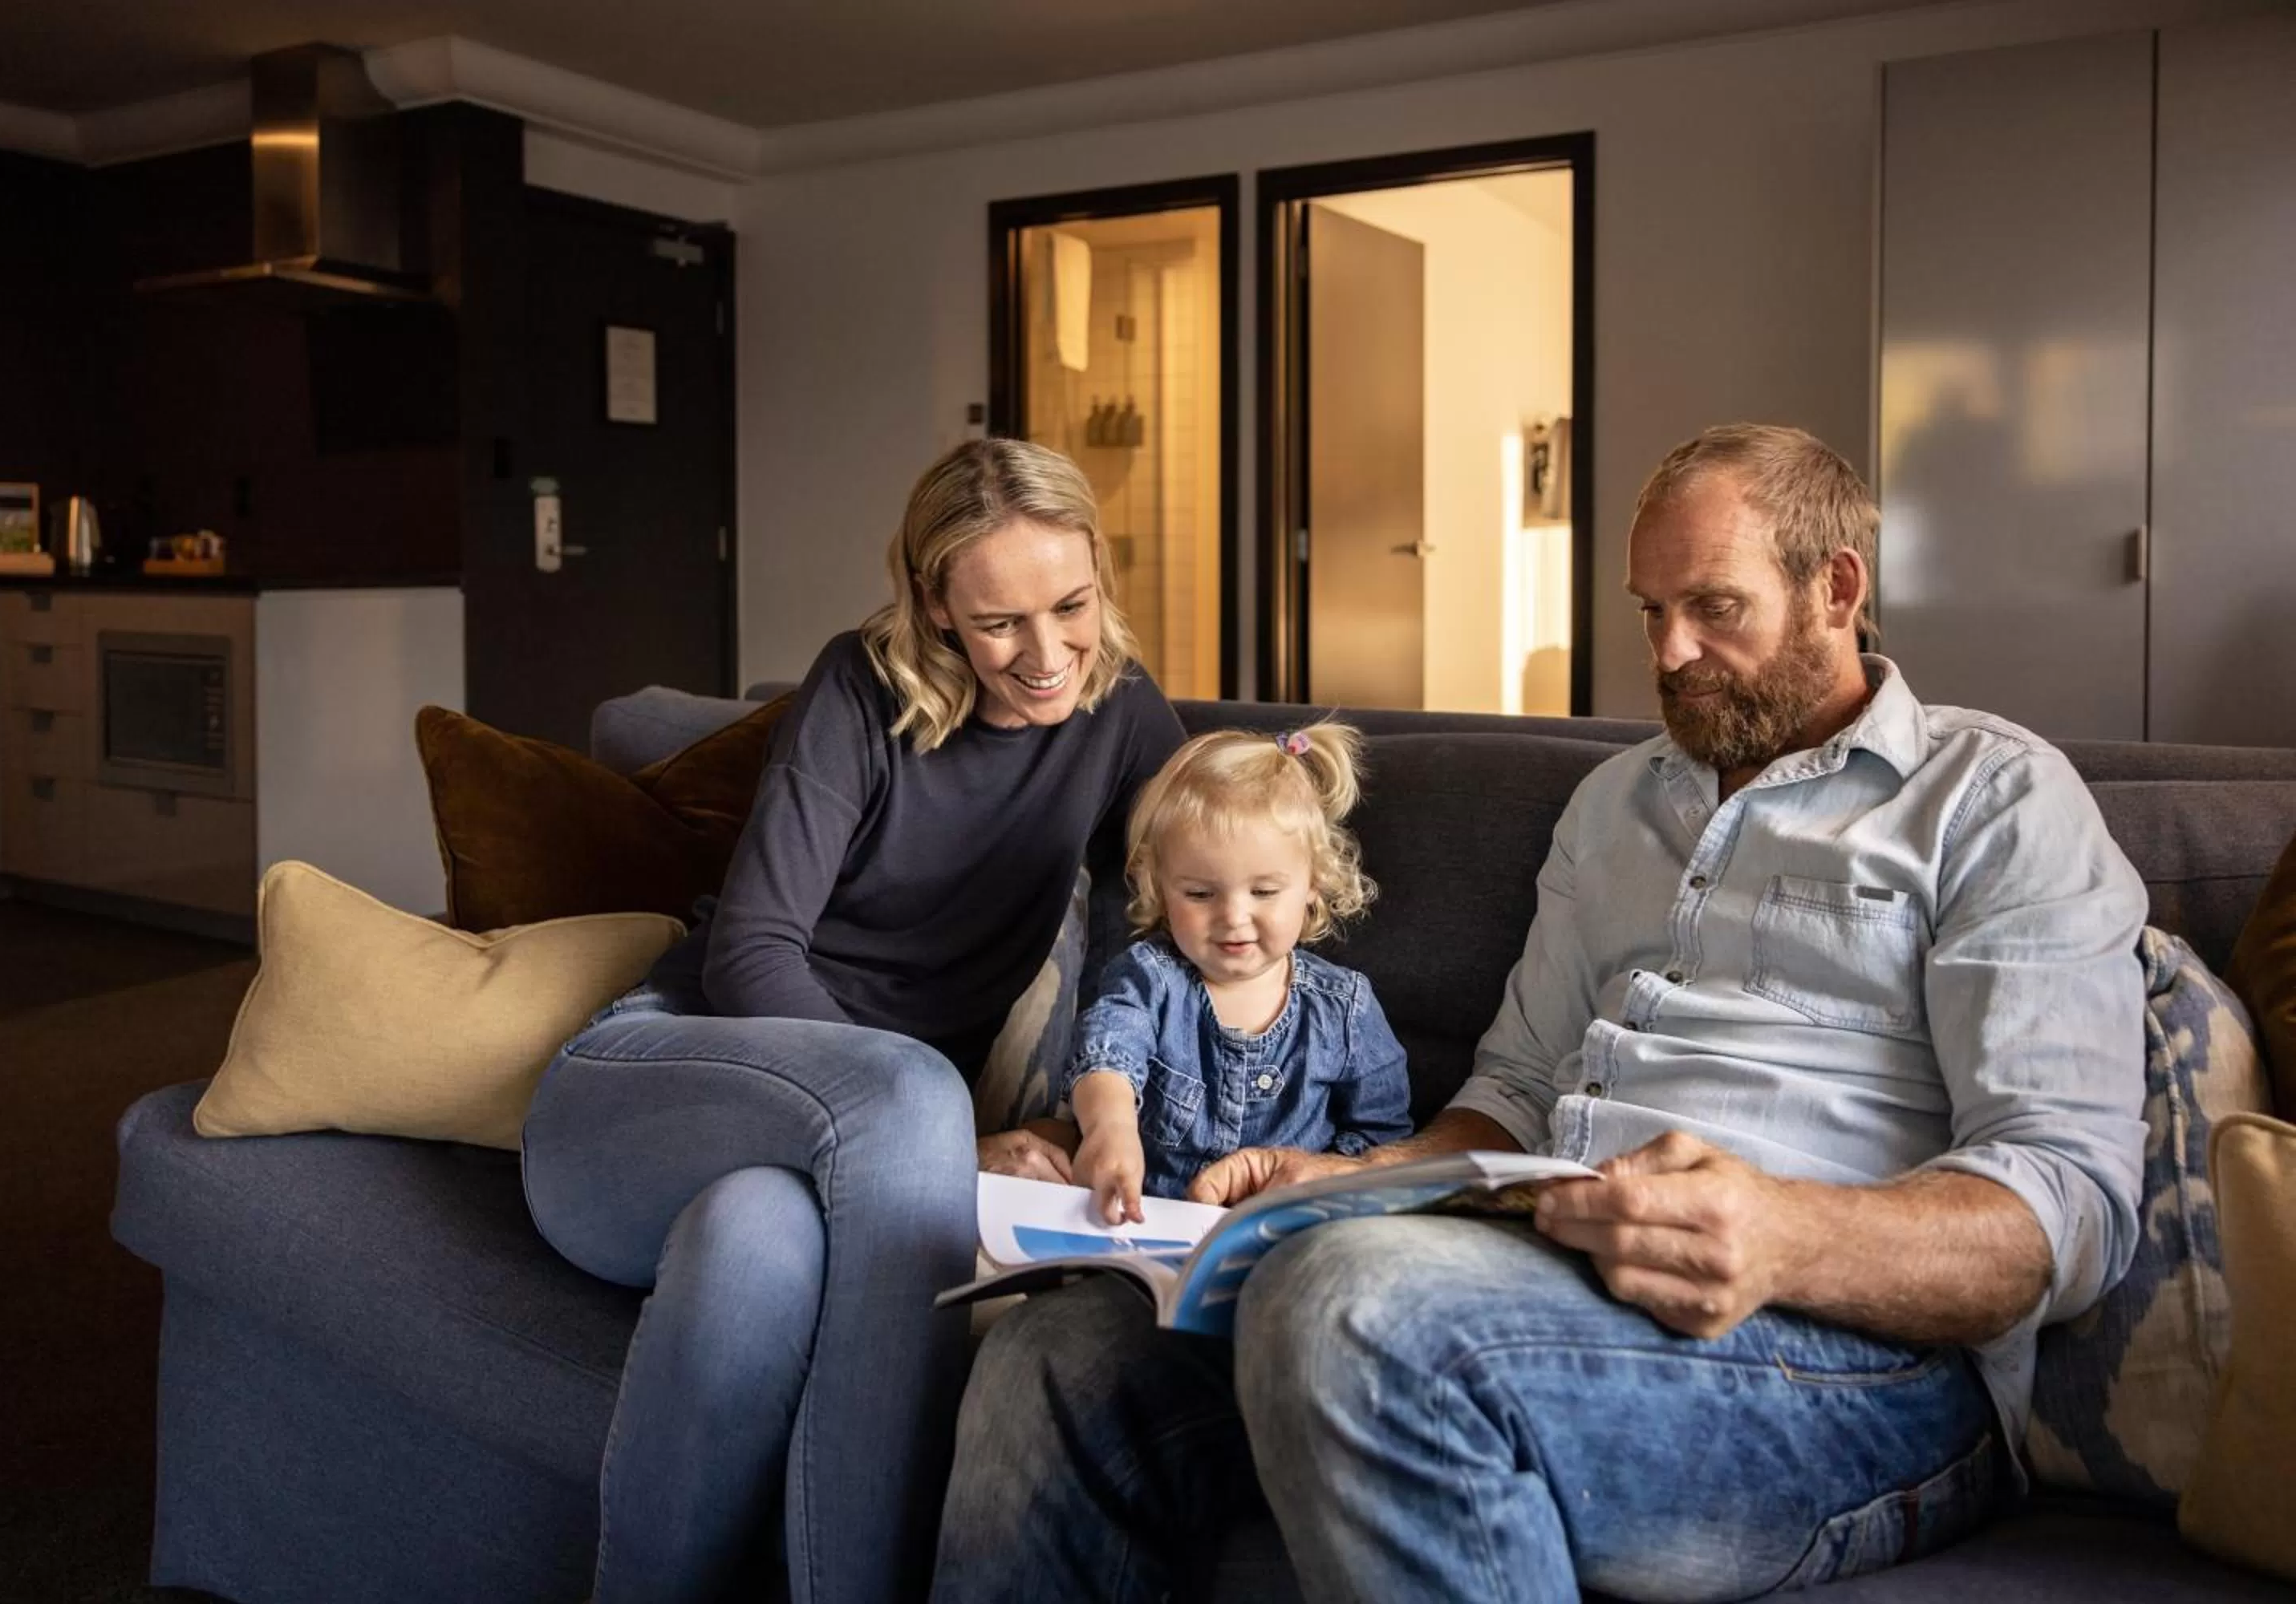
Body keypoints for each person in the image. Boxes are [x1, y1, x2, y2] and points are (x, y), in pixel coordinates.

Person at [932, 423, 2148, 1602]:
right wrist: (1354, 1178)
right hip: (1537, 1277)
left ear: (1835, 587)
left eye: (1712, 608)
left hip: (1854, 1365)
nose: (1667, 655)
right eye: (1647, 612)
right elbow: (1509, 1091)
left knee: (1351, 1304)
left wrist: (1787, 1234)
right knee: (1067, 1356)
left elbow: (2069, 1201)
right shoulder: (1615, 806)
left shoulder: (1991, 798)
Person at [521, 437, 1186, 1604]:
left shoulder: (1123, 716)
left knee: (756, 1246)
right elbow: (754, 949)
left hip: (809, 1171)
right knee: (914, 1094)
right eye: (997, 625)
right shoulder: (858, 687)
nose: (1044, 656)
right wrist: (931, 1149)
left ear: (1100, 573)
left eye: (1071, 605)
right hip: (652, 1088)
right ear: (933, 607)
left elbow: (1188, 927)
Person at [1067, 723, 1413, 1224]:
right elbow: (1108, 1053)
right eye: (1200, 895)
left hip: (1290, 1238)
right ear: (1159, 887)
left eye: (1265, 892)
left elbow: (1383, 1135)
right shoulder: (1149, 979)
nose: (1233, 916)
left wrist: (1327, 1186)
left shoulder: (1345, 1008)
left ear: (1313, 884)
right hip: (1148, 1227)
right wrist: (1110, 1128)